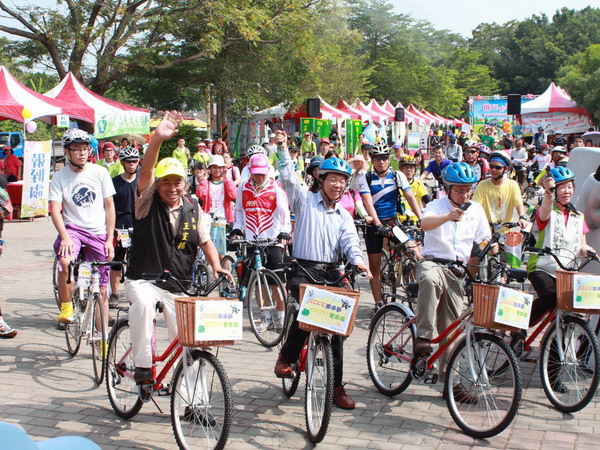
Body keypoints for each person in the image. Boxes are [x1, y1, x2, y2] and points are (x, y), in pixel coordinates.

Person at [124, 111, 230, 384]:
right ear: (157, 185)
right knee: (144, 306)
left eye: (177, 182)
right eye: (166, 182)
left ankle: (194, 405)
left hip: (178, 283)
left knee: (189, 344)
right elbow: (146, 170)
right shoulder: (146, 201)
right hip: (144, 278)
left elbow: (205, 240)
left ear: (185, 184)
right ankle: (143, 366)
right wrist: (157, 139)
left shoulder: (193, 207)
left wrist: (217, 266)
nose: (172, 188)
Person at [273, 137, 372, 410]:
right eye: (332, 179)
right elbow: (288, 177)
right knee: (310, 310)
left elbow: (351, 242)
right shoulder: (304, 200)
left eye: (342, 180)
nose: (337, 184)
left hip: (332, 272)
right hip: (303, 269)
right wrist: (283, 147)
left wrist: (358, 261)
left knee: (337, 327)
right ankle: (286, 357)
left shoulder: (344, 214)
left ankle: (336, 386)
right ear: (321, 179)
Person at [414, 163, 494, 389]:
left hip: (457, 271)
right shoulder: (436, 205)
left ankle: (450, 383)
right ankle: (422, 337)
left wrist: (490, 246)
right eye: (459, 189)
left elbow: (484, 238)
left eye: (468, 189)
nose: (464, 194)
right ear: (447, 188)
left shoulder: (475, 209)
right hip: (433, 262)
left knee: (451, 329)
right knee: (430, 279)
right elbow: (424, 223)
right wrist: (447, 217)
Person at [49, 129, 115, 329]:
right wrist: (65, 237)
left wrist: (110, 239)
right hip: (73, 230)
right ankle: (67, 305)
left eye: (85, 148)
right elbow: (54, 208)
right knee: (65, 261)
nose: (82, 153)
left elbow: (110, 206)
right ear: (67, 152)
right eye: (76, 149)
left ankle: (103, 342)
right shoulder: (60, 177)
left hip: (98, 232)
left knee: (102, 290)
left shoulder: (100, 172)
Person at [527, 167, 595, 326]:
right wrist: (548, 193)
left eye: (570, 187)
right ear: (555, 190)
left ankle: (554, 350)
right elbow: (545, 211)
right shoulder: (547, 211)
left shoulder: (578, 216)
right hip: (542, 267)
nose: (567, 191)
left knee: (569, 309)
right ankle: (519, 326)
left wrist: (587, 249)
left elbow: (582, 243)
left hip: (567, 271)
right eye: (562, 187)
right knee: (551, 296)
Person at [357, 144, 422, 309]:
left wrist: (422, 218)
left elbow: (409, 196)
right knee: (375, 266)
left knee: (413, 251)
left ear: (389, 159)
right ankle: (378, 303)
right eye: (377, 158)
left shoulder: (397, 175)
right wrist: (377, 224)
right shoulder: (366, 178)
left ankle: (413, 286)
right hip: (374, 224)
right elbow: (367, 202)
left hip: (393, 222)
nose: (381, 161)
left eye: (384, 157)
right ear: (372, 160)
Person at [231, 153, 291, 330]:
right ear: (250, 171)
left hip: (272, 240)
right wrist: (237, 227)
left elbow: (284, 213)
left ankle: (280, 317)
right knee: (258, 280)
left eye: (262, 173)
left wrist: (284, 231)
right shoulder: (243, 187)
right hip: (252, 241)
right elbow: (240, 211)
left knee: (277, 283)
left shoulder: (275, 188)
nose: (259, 176)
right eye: (256, 173)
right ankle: (265, 317)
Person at [108, 146, 140, 309]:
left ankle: (134, 294)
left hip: (138, 227)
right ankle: (114, 293)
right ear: (122, 163)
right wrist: (112, 229)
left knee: (137, 264)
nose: (132, 165)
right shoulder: (114, 183)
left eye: (135, 161)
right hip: (119, 227)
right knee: (116, 263)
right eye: (128, 162)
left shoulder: (142, 181)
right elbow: (109, 209)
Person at [196, 155, 236, 259]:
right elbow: (200, 194)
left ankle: (222, 272)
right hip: (208, 218)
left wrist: (228, 180)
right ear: (209, 169)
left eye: (220, 167)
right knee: (206, 248)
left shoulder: (226, 182)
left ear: (223, 168)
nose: (217, 170)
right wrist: (204, 180)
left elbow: (233, 195)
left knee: (220, 250)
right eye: (214, 167)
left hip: (222, 219)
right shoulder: (207, 182)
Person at [472, 150, 528, 226]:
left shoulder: (512, 185)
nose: (493, 170)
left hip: (505, 230)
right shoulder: (482, 184)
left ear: (506, 169)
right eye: (491, 166)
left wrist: (522, 217)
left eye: (498, 167)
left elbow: (518, 203)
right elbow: (476, 205)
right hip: (486, 229)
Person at [398, 155, 430, 223]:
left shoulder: (417, 183)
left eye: (411, 167)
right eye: (406, 168)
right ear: (401, 169)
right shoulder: (396, 183)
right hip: (399, 221)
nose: (409, 170)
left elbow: (425, 198)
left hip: (415, 220)